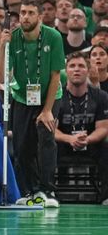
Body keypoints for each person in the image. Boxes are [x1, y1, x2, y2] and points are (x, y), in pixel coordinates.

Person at [0, 0, 65, 207]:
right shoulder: (14, 38)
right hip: (21, 97)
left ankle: (47, 191)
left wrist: (47, 111)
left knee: (46, 139)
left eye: (30, 13)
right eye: (23, 13)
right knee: (21, 146)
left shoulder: (53, 37)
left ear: (40, 17)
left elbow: (55, 76)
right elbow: (1, 77)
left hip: (49, 96)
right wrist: (1, 47)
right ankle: (29, 191)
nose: (25, 17)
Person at [54, 53, 108, 205]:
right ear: (66, 71)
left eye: (81, 66)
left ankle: (106, 196)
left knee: (107, 145)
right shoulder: (57, 96)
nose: (76, 70)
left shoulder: (100, 96)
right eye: (72, 66)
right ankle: (48, 191)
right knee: (46, 144)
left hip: (91, 144)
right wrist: (70, 139)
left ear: (88, 70)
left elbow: (103, 128)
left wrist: (87, 140)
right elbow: (52, 129)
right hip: (64, 143)